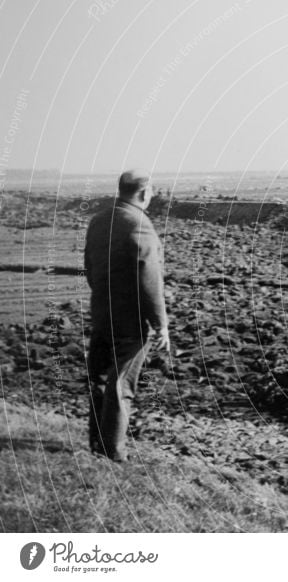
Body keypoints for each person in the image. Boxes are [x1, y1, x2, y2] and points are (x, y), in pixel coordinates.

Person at [84, 169, 170, 462]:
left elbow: (90, 268)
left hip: (101, 312)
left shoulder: (98, 221)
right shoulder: (139, 225)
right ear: (144, 193)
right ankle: (113, 452)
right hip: (130, 322)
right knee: (121, 384)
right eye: (152, 193)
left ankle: (96, 443)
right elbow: (150, 281)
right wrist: (160, 325)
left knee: (98, 378)